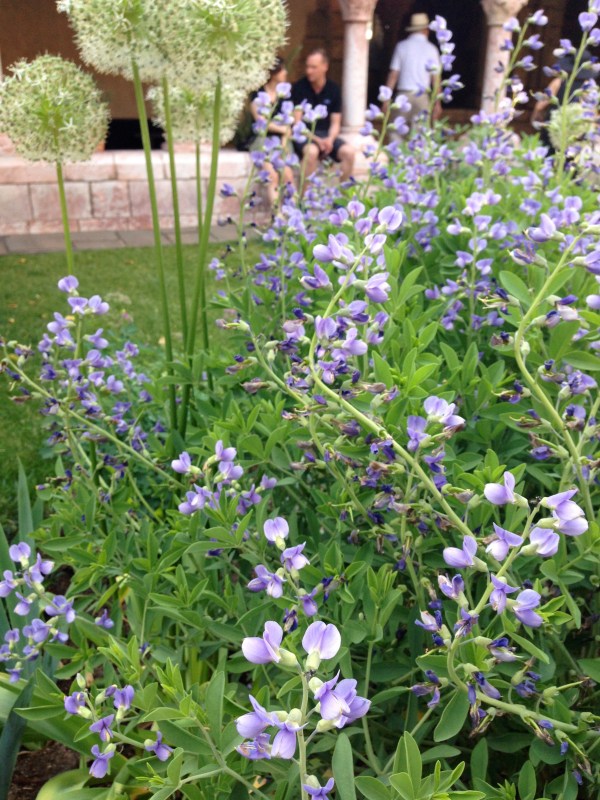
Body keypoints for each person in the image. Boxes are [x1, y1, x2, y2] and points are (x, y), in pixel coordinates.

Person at [291, 49, 355, 183]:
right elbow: (297, 123)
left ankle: (342, 193)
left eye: (313, 67)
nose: (309, 71)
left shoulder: (333, 89)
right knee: (311, 152)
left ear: (325, 67)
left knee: (349, 152)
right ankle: (303, 195)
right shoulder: (299, 87)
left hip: (326, 135)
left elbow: (336, 122)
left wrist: (330, 140)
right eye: (307, 67)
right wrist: (317, 140)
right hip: (305, 135)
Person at [384, 13, 441, 136]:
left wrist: (386, 99)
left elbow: (394, 74)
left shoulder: (401, 47)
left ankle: (397, 149)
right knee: (421, 134)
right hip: (422, 96)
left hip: (403, 95)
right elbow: (435, 79)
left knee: (396, 131)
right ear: (426, 30)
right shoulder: (432, 49)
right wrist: (437, 103)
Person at [250, 57, 295, 205]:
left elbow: (289, 123)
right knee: (272, 176)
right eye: (282, 69)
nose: (285, 72)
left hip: (282, 140)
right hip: (263, 139)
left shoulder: (285, 94)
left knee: (288, 175)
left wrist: (284, 143)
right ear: (274, 72)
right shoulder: (258, 93)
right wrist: (282, 129)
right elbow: (261, 120)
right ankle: (277, 214)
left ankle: (293, 212)